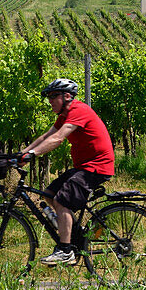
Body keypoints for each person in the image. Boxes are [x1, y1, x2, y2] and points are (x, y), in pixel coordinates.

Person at [19, 78, 115, 266]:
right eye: (48, 97)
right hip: (84, 166)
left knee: (61, 201)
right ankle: (75, 237)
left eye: (53, 96)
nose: (50, 100)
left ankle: (65, 250)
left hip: (97, 166)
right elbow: (46, 136)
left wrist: (32, 154)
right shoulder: (65, 114)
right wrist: (21, 154)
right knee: (49, 194)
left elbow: (57, 139)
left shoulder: (78, 110)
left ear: (67, 96)